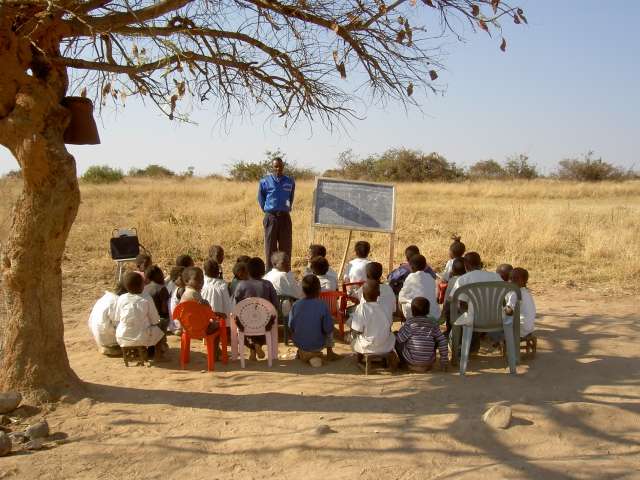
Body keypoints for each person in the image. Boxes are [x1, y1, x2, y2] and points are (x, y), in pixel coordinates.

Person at [233, 257, 278, 360]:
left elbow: (235, 305)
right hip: (264, 323)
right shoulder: (268, 284)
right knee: (265, 323)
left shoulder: (241, 285)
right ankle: (257, 345)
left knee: (241, 326)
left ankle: (252, 347)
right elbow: (275, 304)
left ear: (247, 271)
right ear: (263, 271)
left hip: (246, 323)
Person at [115, 272, 166, 360]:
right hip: (142, 337)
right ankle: (158, 356)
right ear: (142, 285)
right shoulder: (146, 298)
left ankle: (135, 353)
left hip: (122, 337)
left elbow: (117, 317)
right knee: (159, 332)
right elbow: (155, 319)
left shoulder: (121, 298)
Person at [288, 275, 339, 364]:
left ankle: (302, 351)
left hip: (298, 342)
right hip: (318, 344)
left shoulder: (296, 305)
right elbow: (328, 328)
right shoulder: (323, 305)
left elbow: (291, 325)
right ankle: (329, 353)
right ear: (319, 290)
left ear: (303, 290)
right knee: (330, 325)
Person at [258, 157, 295, 271]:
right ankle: (270, 273)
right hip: (271, 217)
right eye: (276, 166)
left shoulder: (290, 181)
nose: (278, 168)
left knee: (286, 248)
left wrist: (284, 208)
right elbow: (261, 198)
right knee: (270, 248)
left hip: (284, 217)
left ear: (283, 166)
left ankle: (285, 272)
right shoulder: (265, 181)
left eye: (280, 166)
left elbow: (291, 197)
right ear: (272, 168)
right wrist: (269, 210)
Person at [350, 280, 398, 369]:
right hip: (386, 346)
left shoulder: (362, 308)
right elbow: (389, 325)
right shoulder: (386, 306)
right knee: (391, 334)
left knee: (353, 340)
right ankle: (386, 357)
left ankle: (360, 359)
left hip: (367, 347)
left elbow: (357, 329)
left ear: (362, 295)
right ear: (379, 294)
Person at [395, 297, 448, 372]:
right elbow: (443, 341)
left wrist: (399, 331)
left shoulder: (410, 323)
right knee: (437, 338)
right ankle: (425, 361)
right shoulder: (432, 324)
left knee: (397, 338)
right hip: (429, 362)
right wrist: (444, 361)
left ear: (412, 311)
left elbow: (399, 339)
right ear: (428, 311)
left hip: (411, 361)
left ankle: (404, 363)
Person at [88, 282, 127, 356]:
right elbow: (118, 324)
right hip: (109, 340)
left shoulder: (105, 298)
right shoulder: (116, 301)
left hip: (99, 337)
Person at [398, 254, 439, 320]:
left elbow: (402, 296)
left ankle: (404, 320)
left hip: (414, 315)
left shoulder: (410, 277)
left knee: (401, 297)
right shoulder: (430, 277)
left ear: (411, 267)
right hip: (433, 315)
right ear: (425, 267)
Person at [505, 267, 536, 338]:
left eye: (515, 279)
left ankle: (499, 340)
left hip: (519, 329)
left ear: (524, 281)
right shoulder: (526, 291)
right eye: (510, 278)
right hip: (529, 328)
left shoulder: (514, 293)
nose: (511, 281)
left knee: (495, 325)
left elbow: (509, 311)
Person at [440, 258, 466, 335]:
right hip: (471, 315)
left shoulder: (452, 281)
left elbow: (447, 301)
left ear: (452, 270)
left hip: (456, 317)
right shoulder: (470, 279)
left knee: (449, 308)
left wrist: (443, 314)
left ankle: (449, 330)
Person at [143, 265, 170, 330]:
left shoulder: (145, 288)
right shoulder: (162, 289)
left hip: (147, 319)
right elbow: (164, 310)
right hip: (159, 320)